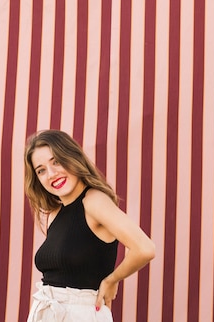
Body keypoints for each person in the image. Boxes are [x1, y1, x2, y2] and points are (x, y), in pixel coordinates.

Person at [24, 130, 155, 321]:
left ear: (73, 158)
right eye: (41, 170)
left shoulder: (94, 201)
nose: (51, 174)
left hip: (80, 313)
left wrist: (112, 280)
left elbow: (145, 248)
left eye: (57, 161)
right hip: (46, 310)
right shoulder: (56, 213)